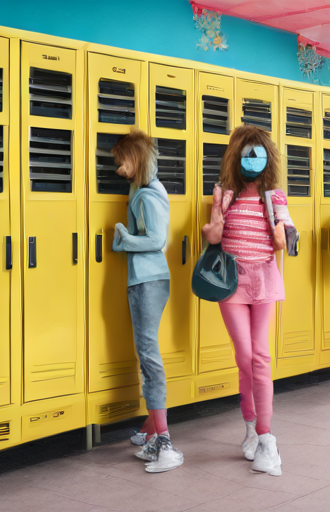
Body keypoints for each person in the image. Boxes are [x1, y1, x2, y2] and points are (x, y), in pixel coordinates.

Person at [202, 124, 294, 477]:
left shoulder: (274, 197)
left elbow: (285, 238)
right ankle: (250, 425)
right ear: (235, 157)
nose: (251, 161)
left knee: (260, 355)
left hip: (265, 280)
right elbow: (212, 234)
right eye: (246, 154)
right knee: (244, 356)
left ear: (266, 159)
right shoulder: (225, 195)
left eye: (257, 155)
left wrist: (281, 236)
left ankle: (268, 440)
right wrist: (212, 229)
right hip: (231, 283)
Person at [112, 129, 183, 473]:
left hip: (147, 281)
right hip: (150, 280)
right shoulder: (144, 189)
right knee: (148, 353)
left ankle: (165, 442)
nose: (118, 169)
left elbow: (156, 239)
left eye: (121, 162)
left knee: (148, 356)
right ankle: (150, 431)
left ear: (135, 158)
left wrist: (126, 239)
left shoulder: (147, 196)